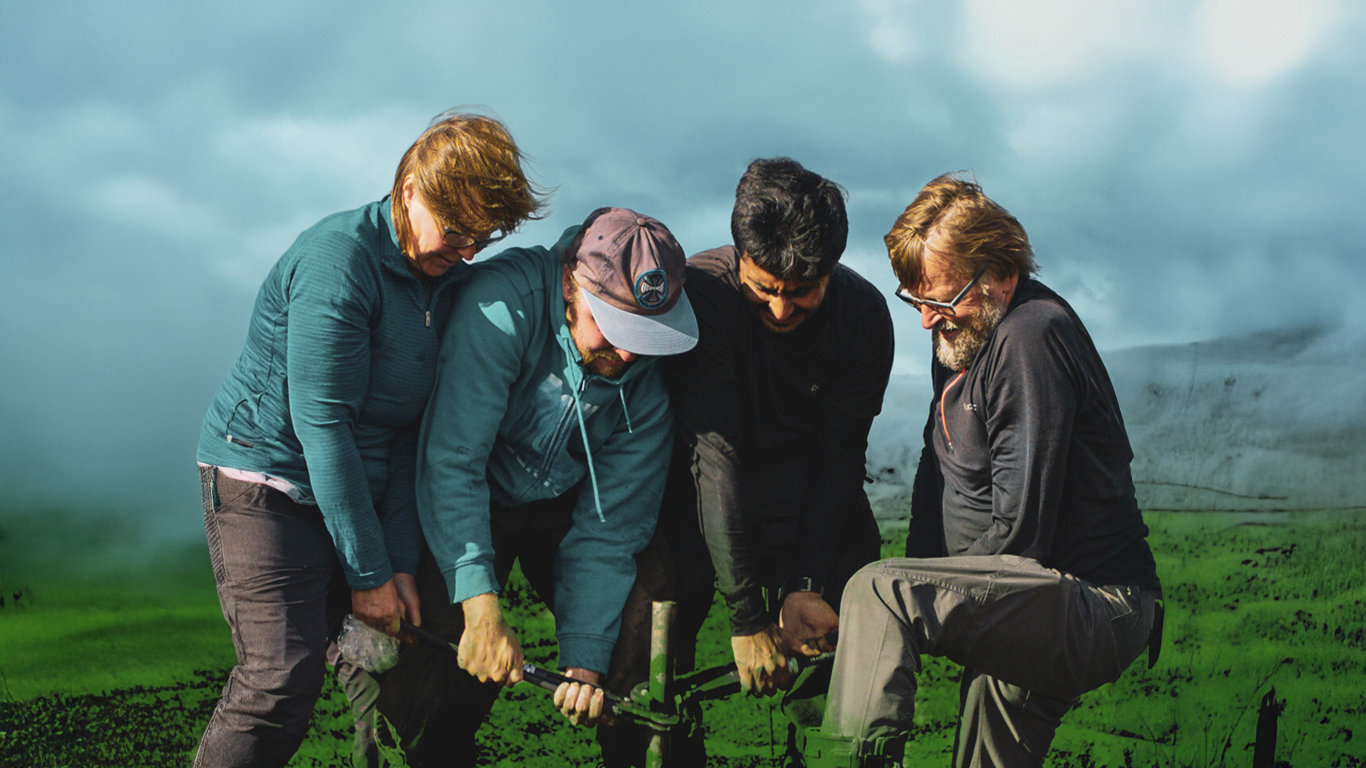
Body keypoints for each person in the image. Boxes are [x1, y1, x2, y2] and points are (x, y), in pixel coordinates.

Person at [192, 111, 546, 768]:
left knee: (389, 660)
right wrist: (368, 574)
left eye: (483, 237)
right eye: (458, 228)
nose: (468, 249)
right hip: (269, 484)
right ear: (410, 187)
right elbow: (323, 427)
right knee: (279, 680)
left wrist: (402, 566)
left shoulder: (447, 280)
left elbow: (414, 434)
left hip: (364, 488)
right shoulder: (340, 261)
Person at [810, 173, 1163, 768]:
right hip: (1028, 598)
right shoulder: (964, 330)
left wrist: (921, 606)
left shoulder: (1031, 338)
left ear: (1002, 272)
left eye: (942, 299)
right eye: (916, 301)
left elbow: (1021, 536)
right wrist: (927, 579)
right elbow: (937, 459)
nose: (927, 320)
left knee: (878, 590)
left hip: (1093, 601)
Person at [366, 207, 698, 767]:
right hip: (471, 490)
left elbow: (611, 527)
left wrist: (587, 664)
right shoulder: (500, 307)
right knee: (432, 661)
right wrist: (480, 605)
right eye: (615, 330)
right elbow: (452, 461)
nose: (630, 354)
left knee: (640, 627)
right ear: (572, 283)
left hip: (565, 502)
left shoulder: (643, 380)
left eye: (645, 335)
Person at [661, 157, 894, 743]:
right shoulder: (704, 297)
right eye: (763, 290)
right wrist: (746, 617)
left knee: (862, 602)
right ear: (740, 256)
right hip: (698, 487)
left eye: (802, 294)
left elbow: (841, 456)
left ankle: (837, 743)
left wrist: (805, 584)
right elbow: (715, 455)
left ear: (832, 270)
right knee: (659, 637)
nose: (780, 311)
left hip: (810, 487)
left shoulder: (864, 317)